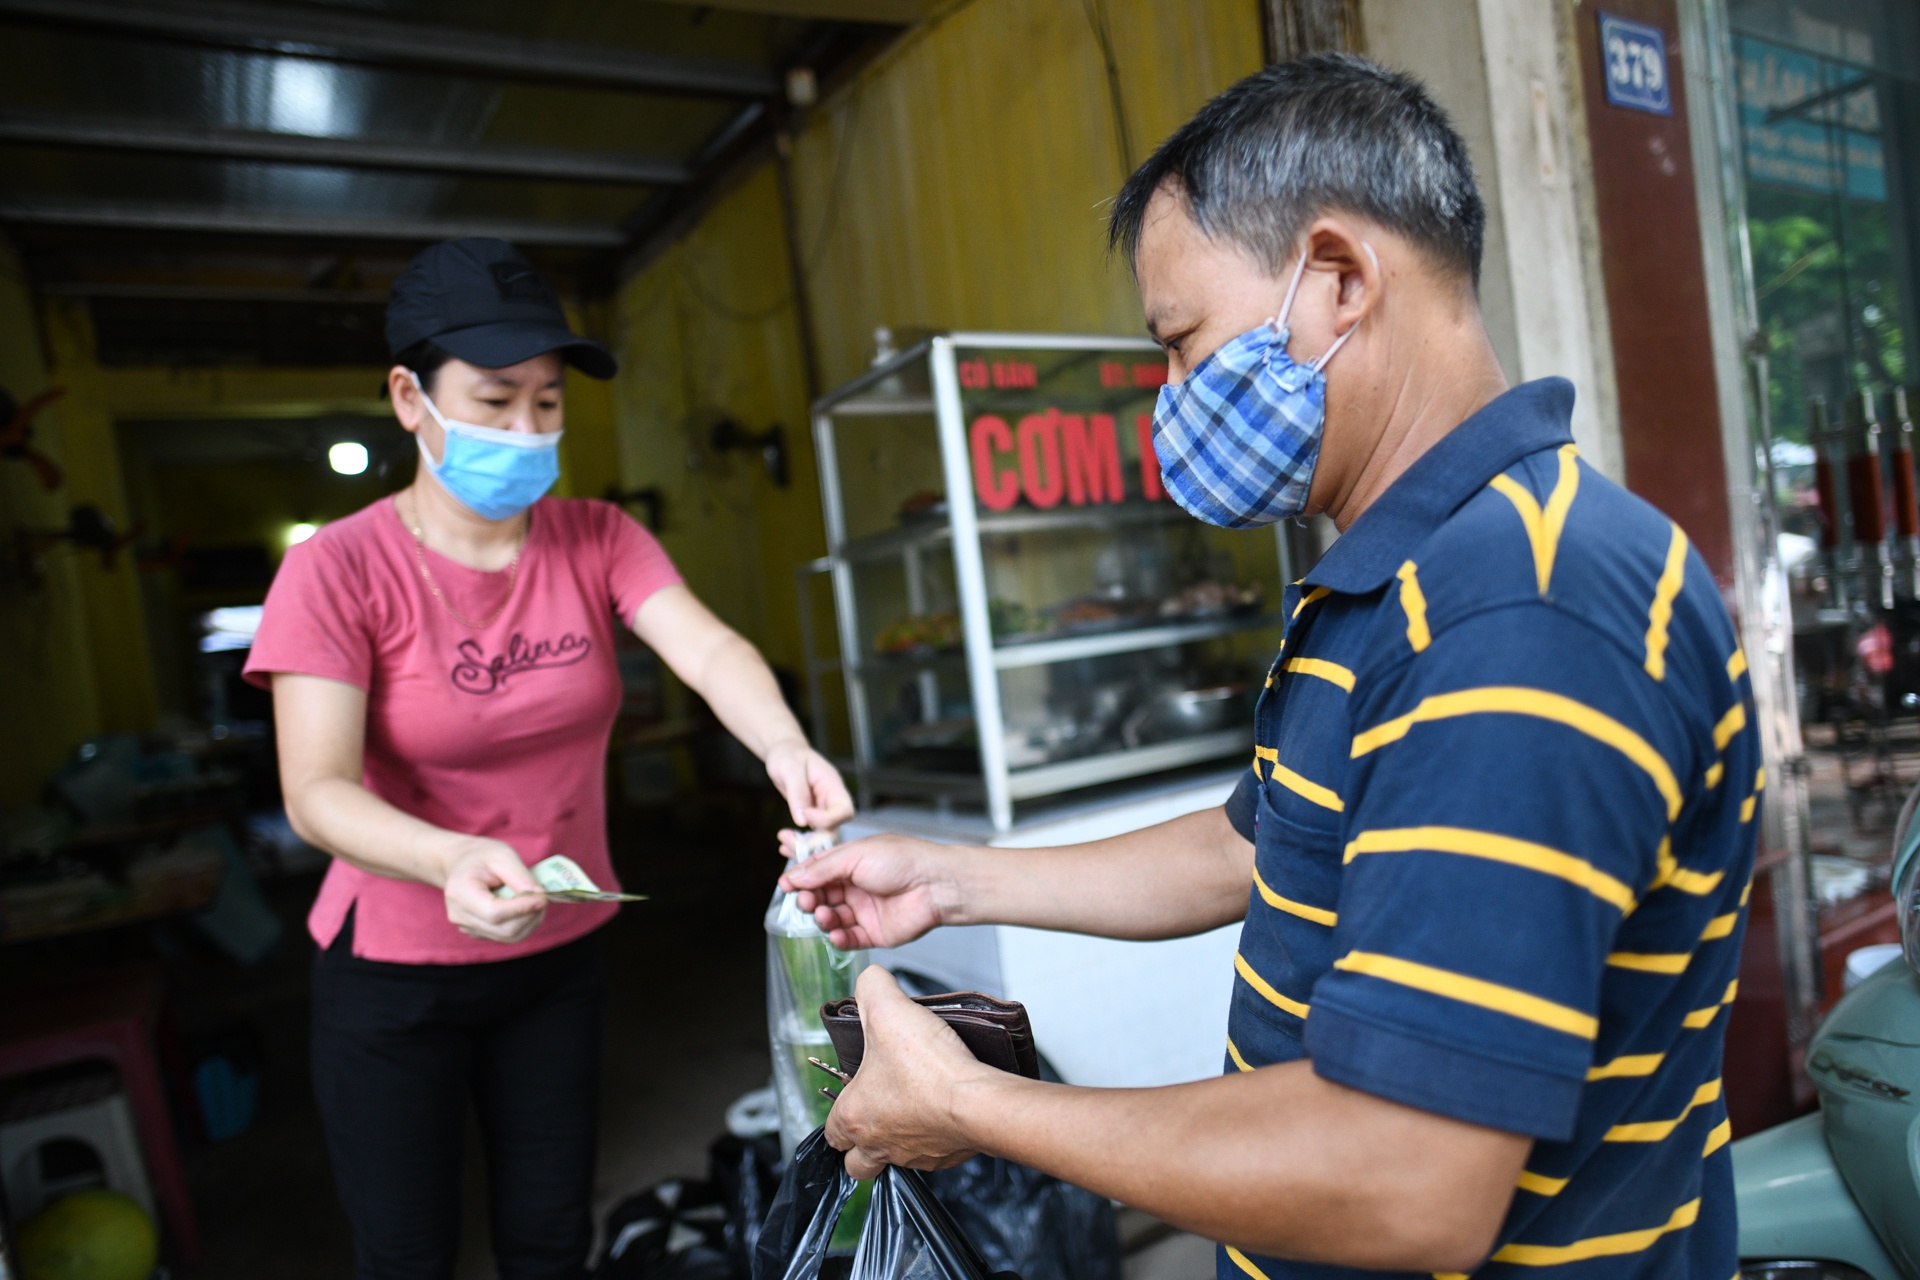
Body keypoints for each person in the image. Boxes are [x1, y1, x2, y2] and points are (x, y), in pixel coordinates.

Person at [781, 56, 1757, 1279]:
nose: (1173, 401)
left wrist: (971, 1106)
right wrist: (951, 879)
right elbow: (1257, 847)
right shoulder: (1393, 577)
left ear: (1338, 278)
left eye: (1184, 345)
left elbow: (1410, 1175)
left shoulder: (1520, 607)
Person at [245, 238, 853, 1280]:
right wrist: (445, 858)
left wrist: (784, 742)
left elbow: (709, 648)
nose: (526, 431)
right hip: (394, 972)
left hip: (557, 953)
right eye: (492, 402)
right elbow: (315, 792)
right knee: (407, 1252)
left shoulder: (596, 536)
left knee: (546, 1237)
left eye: (545, 402)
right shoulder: (337, 570)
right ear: (409, 397)